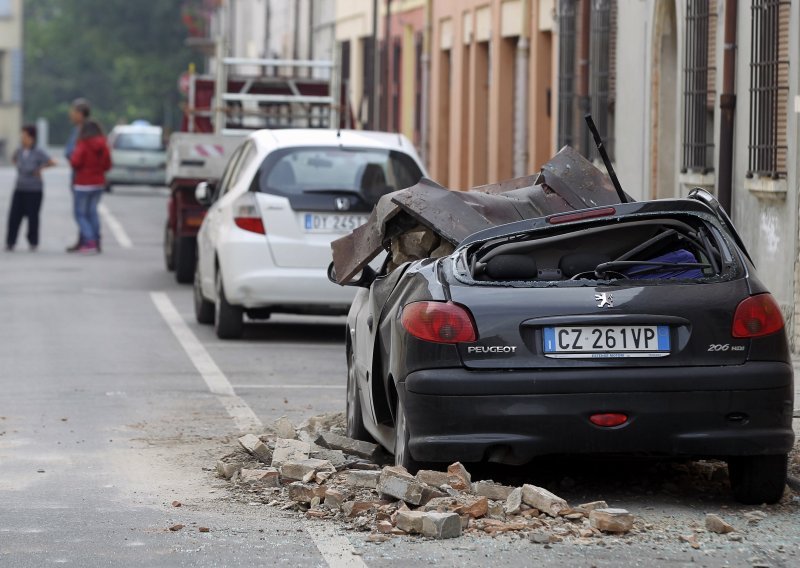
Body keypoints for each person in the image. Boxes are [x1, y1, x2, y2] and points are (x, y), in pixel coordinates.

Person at [5, 125, 56, 251]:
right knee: (14, 216)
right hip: (20, 188)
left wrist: (40, 169)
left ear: (32, 138)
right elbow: (14, 159)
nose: (23, 138)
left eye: (25, 136)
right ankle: (10, 242)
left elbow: (52, 162)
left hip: (34, 189)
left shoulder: (38, 151)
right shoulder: (19, 150)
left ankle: (33, 241)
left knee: (33, 216)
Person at [69, 120, 111, 254]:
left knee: (80, 214)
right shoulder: (103, 144)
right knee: (92, 212)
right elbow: (108, 164)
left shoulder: (83, 143)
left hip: (83, 183)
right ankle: (96, 240)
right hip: (98, 182)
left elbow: (75, 162)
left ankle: (90, 240)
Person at [65, 98, 91, 252]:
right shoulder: (90, 129)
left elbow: (71, 152)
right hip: (86, 176)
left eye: (73, 112)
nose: (71, 115)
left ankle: (89, 240)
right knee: (87, 211)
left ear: (80, 113)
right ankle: (85, 239)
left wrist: (73, 158)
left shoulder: (82, 131)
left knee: (81, 212)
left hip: (81, 176)